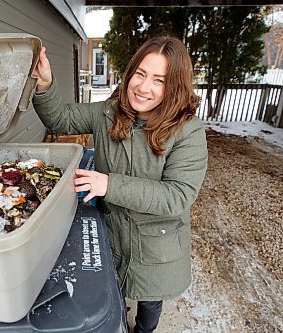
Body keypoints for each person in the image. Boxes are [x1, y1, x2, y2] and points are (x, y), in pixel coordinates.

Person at [32, 36, 208, 333]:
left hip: (155, 244)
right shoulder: (109, 113)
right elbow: (61, 118)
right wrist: (45, 84)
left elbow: (177, 196)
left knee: (150, 301)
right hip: (112, 233)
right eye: (140, 74)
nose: (143, 87)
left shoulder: (187, 131)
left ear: (175, 86)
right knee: (114, 291)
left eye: (159, 80)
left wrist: (109, 185)